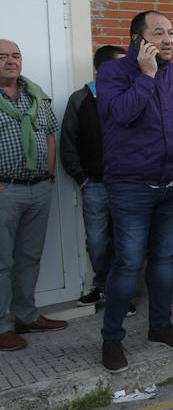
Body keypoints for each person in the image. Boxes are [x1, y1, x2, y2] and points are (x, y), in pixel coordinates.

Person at [96, 11, 173, 373]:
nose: (168, 40)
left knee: (164, 260)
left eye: (172, 33)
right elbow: (122, 114)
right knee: (128, 262)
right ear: (138, 40)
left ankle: (160, 327)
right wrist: (146, 76)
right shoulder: (113, 74)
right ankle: (112, 338)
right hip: (130, 186)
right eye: (159, 33)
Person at [0, 39, 68, 352]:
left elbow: (51, 134)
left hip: (39, 187)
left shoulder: (35, 96)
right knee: (1, 262)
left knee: (30, 256)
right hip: (6, 190)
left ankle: (26, 315)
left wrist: (50, 175)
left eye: (15, 56)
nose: (11, 61)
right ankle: (2, 326)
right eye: (3, 57)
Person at [60, 45, 134, 312]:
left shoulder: (132, 96)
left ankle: (123, 295)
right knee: (97, 242)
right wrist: (82, 178)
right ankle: (103, 285)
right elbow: (68, 142)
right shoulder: (80, 99)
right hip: (96, 184)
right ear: (103, 69)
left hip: (129, 184)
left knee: (127, 241)